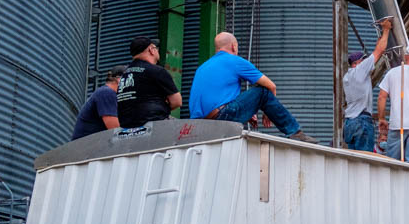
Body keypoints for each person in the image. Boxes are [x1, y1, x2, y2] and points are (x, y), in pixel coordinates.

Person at [186, 32, 316, 143]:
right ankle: (294, 132)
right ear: (234, 46)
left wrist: (247, 112)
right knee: (262, 92)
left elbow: (215, 99)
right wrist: (267, 112)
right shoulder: (235, 61)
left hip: (199, 126)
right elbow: (271, 86)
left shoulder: (202, 67)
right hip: (222, 118)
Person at [341, 18, 393, 151]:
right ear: (357, 63)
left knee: (353, 159)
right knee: (364, 160)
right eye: (364, 60)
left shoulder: (347, 76)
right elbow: (379, 51)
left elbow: (377, 49)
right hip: (362, 122)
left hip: (349, 123)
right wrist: (386, 30)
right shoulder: (360, 69)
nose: (367, 62)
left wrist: (380, 38)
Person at [117, 37, 182, 128]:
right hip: (154, 124)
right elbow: (177, 101)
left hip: (127, 127)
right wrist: (162, 108)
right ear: (151, 50)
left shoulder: (124, 74)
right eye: (156, 48)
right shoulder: (157, 71)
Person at [70, 66, 125, 140]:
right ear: (119, 79)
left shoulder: (108, 94)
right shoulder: (106, 93)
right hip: (86, 145)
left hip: (93, 143)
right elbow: (115, 130)